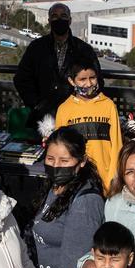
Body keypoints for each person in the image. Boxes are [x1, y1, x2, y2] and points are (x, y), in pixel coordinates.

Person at [32, 127, 105, 268]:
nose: (56, 166)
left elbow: (72, 264)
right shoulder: (54, 187)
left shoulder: (85, 201)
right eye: (50, 159)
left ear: (81, 162)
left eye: (64, 161)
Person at [14, 2, 101, 126]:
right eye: (55, 16)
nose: (59, 19)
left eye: (63, 16)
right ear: (49, 20)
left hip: (76, 116)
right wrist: (36, 104)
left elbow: (97, 81)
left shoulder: (83, 49)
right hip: (42, 118)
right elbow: (21, 78)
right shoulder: (37, 47)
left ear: (70, 20)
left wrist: (82, 103)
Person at [52, 58, 122, 195]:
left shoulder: (108, 106)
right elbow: (59, 149)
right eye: (82, 79)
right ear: (71, 81)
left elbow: (117, 146)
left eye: (93, 78)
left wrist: (114, 178)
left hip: (106, 180)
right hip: (75, 180)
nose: (88, 83)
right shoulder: (64, 109)